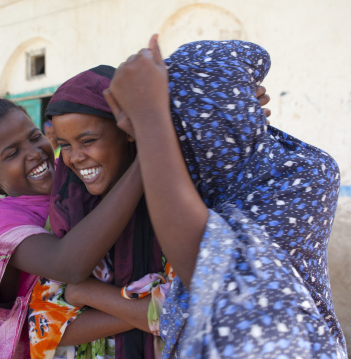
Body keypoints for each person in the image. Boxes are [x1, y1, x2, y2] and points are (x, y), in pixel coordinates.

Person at [102, 35, 347, 358]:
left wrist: (150, 118)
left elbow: (208, 259)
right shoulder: (213, 184)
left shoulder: (304, 175)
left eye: (176, 128)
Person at [40, 64, 271, 359]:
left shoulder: (182, 200)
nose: (74, 157)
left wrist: (84, 293)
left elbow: (202, 309)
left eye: (88, 141)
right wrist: (148, 314)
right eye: (64, 145)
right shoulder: (68, 210)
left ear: (128, 131)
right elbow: (47, 326)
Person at [0, 97, 148, 359]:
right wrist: (146, 158)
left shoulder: (76, 174)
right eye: (12, 153)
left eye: (34, 137)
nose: (34, 152)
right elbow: (68, 266)